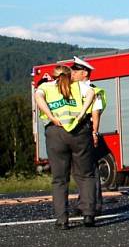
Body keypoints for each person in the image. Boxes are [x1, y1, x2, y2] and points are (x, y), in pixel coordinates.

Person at [33, 65, 96, 229]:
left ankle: (62, 220)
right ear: (70, 74)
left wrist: (51, 116)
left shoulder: (46, 86)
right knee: (85, 175)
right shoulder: (78, 86)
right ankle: (88, 214)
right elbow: (91, 93)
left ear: (54, 75)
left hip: (56, 133)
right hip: (79, 132)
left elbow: (37, 97)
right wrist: (82, 113)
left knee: (59, 179)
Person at [70, 56, 107, 214]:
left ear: (84, 73)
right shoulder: (73, 89)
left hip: (86, 130)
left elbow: (96, 112)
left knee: (90, 170)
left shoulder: (92, 90)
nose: (72, 72)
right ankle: (84, 202)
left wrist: (94, 132)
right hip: (75, 132)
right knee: (80, 170)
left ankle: (94, 204)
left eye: (76, 70)